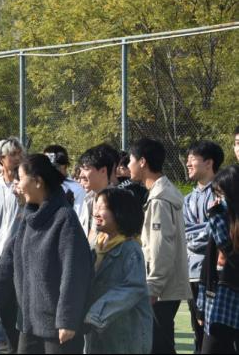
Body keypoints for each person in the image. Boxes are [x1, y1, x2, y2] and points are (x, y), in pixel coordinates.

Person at [0, 154, 92, 355]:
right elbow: (9, 258)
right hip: (29, 322)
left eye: (20, 178)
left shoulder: (65, 218)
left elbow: (74, 274)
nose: (16, 185)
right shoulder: (29, 217)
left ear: (38, 182)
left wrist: (67, 320)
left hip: (58, 328)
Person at [128, 138, 192, 354]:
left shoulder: (159, 200)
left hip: (161, 289)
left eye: (130, 160)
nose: (128, 166)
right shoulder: (162, 193)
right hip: (167, 286)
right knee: (161, 343)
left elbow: (160, 246)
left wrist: (153, 287)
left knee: (157, 345)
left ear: (142, 162)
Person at [84, 188, 153, 354]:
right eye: (95, 207)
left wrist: (96, 314)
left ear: (120, 213)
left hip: (126, 336)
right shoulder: (96, 245)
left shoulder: (130, 249)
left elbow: (133, 288)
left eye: (102, 208)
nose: (96, 213)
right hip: (99, 334)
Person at [184, 140, 225, 352]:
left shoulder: (223, 192)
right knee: (197, 331)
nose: (187, 164)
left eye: (192, 159)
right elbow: (184, 231)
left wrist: (197, 235)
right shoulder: (188, 199)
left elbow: (218, 231)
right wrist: (205, 230)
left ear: (209, 163)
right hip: (192, 273)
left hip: (214, 274)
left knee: (215, 333)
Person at [197, 165, 239, 353]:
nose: (218, 201)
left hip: (232, 296)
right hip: (218, 300)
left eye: (222, 195)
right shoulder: (220, 220)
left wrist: (217, 220)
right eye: (216, 195)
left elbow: (233, 256)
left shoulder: (220, 221)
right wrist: (200, 307)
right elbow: (207, 267)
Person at [0, 137, 24, 352]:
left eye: (20, 154)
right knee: (3, 310)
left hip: (22, 255)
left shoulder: (27, 188)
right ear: (0, 159)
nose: (18, 158)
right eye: (13, 155)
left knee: (20, 308)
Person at [44, 145, 87, 228]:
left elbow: (78, 219)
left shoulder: (76, 189)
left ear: (63, 166)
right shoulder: (41, 186)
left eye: (51, 165)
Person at [78, 146, 116, 238]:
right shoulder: (87, 199)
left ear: (103, 171)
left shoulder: (117, 201)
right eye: (80, 170)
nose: (81, 175)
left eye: (86, 169)